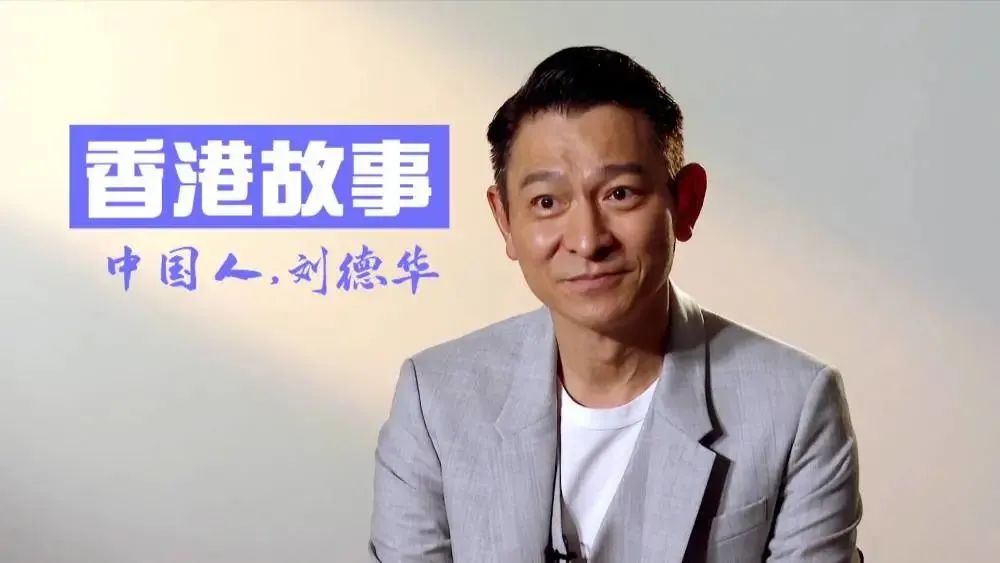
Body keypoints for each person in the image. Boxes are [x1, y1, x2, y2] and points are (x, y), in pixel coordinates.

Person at [369, 45, 862, 563]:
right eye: (546, 202)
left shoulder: (795, 404)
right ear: (505, 221)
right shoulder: (435, 400)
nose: (587, 240)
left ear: (685, 202)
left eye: (620, 194)